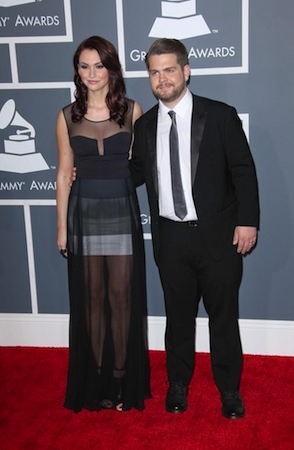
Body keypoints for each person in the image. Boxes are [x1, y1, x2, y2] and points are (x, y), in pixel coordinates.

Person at [130, 38, 260, 419]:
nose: (162, 78)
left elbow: (243, 170)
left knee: (223, 317)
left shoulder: (219, 115)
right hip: (171, 239)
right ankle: (178, 383)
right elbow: (134, 173)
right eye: (154, 72)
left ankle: (230, 390)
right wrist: (86, 172)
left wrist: (247, 220)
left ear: (186, 71)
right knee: (178, 317)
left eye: (169, 69)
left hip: (218, 237)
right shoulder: (145, 125)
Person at [56, 35, 151, 413]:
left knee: (121, 298)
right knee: (91, 299)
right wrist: (62, 227)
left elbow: (140, 166)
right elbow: (64, 174)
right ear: (77, 71)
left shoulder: (132, 111)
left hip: (121, 212)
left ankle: (120, 377)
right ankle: (95, 380)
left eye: (99, 65)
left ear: (112, 68)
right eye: (84, 66)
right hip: (83, 214)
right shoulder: (66, 116)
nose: (92, 73)